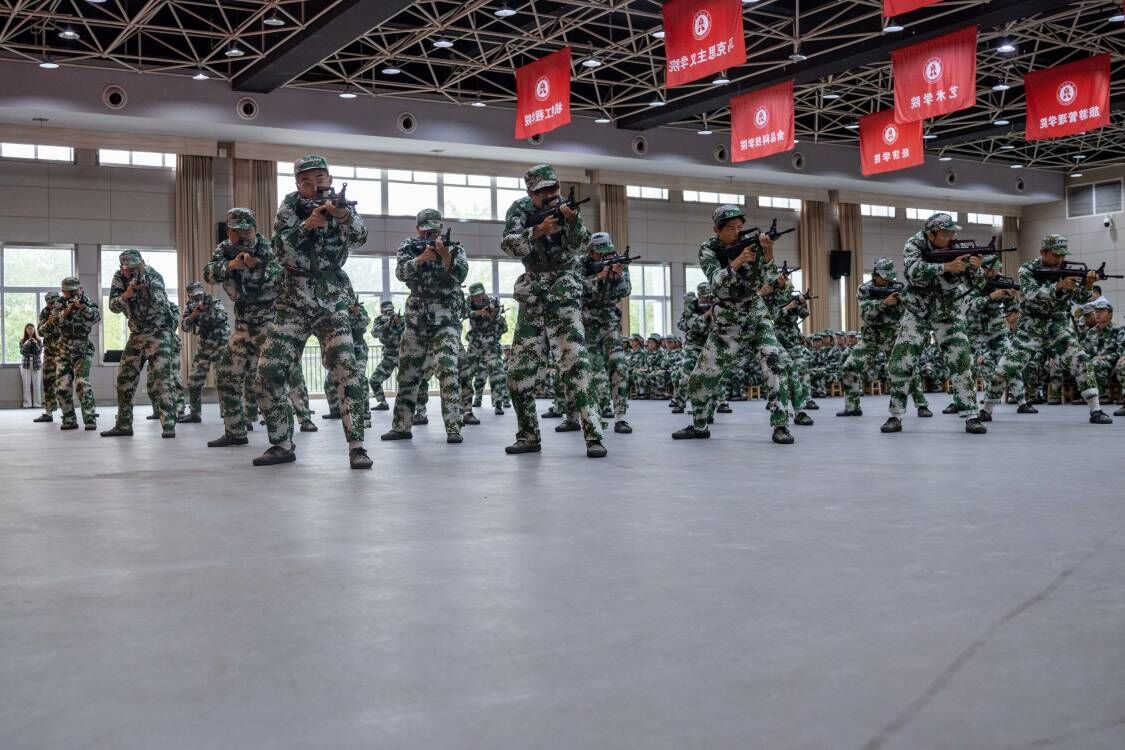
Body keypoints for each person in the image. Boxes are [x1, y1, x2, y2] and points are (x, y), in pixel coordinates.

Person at [255, 155, 371, 468]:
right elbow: (279, 251)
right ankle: (281, 443)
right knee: (268, 370)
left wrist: (343, 216)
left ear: (330, 180)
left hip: (331, 299)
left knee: (346, 368)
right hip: (292, 300)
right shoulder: (290, 207)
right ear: (298, 185)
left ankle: (357, 446)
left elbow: (361, 237)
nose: (315, 184)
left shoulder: (342, 206)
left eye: (320, 178)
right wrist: (307, 225)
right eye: (307, 180)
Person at [500, 164, 605, 458]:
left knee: (577, 366)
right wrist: (538, 230)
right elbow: (510, 245)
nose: (550, 195)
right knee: (517, 373)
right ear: (530, 193)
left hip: (563, 294)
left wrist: (571, 222)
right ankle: (528, 436)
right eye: (542, 191)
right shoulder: (519, 210)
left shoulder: (569, 208)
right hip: (533, 296)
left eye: (553, 188)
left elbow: (581, 246)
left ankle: (594, 437)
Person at [673, 204, 798, 445]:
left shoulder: (755, 244)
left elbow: (774, 284)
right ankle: (699, 425)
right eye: (731, 228)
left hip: (755, 314)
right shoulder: (708, 249)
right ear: (717, 230)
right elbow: (716, 284)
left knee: (774, 365)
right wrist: (739, 260)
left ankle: (781, 425)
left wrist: (768, 253)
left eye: (740, 227)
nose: (737, 232)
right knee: (700, 376)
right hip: (727, 319)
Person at [980, 234, 1112, 425]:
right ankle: (986, 410)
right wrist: (1058, 286)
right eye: (1056, 254)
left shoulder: (1067, 269)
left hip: (1057, 327)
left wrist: (1087, 285)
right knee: (1004, 368)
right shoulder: (1028, 269)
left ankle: (1096, 410)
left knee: (1082, 360)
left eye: (1063, 255)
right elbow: (1031, 294)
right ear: (1043, 252)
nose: (1060, 259)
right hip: (1030, 328)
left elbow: (1080, 299)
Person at [881, 213, 986, 435]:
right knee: (901, 361)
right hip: (917, 310)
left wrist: (976, 268)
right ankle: (895, 415)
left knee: (961, 359)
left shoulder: (959, 247)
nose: (951, 237)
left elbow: (978, 285)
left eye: (953, 232)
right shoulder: (914, 244)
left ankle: (971, 415)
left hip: (948, 310)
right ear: (932, 234)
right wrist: (946, 267)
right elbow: (913, 272)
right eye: (946, 233)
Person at [380, 208, 468, 444]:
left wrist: (445, 256)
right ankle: (401, 426)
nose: (430, 235)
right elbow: (400, 273)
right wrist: (421, 259)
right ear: (417, 229)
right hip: (416, 320)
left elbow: (460, 275)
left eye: (434, 230)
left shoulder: (455, 248)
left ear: (441, 228)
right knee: (407, 373)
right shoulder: (409, 247)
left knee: (448, 370)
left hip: (446, 318)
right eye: (425, 230)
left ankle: (454, 427)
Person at [837, 258, 930, 418]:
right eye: (884, 276)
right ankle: (852, 407)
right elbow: (866, 314)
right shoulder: (865, 289)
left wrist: (902, 301)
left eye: (889, 276)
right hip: (871, 338)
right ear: (875, 274)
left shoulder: (899, 288)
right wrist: (883, 303)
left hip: (893, 336)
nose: (887, 280)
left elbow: (911, 309)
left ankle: (922, 405)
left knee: (908, 367)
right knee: (849, 366)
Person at [102, 249, 179, 438]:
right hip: (137, 334)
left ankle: (168, 424)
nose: (132, 272)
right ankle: (123, 425)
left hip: (159, 332)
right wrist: (126, 295)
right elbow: (112, 306)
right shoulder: (119, 278)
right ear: (122, 268)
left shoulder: (154, 276)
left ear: (142, 263)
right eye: (128, 269)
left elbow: (160, 306)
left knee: (161, 378)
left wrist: (145, 291)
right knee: (124, 378)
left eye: (135, 268)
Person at [579, 232, 631, 433]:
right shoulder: (580, 263)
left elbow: (625, 290)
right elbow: (575, 289)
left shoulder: (617, 261)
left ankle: (621, 417)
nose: (603, 256)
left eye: (606, 252)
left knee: (619, 364)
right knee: (593, 371)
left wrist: (617, 276)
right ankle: (595, 416)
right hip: (587, 323)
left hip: (610, 322)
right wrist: (599, 277)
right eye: (599, 253)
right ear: (590, 250)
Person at [179, 281, 230, 423]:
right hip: (204, 345)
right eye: (194, 296)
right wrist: (194, 315)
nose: (197, 298)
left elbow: (223, 318)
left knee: (223, 379)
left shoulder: (213, 301)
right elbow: (184, 326)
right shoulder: (190, 307)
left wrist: (208, 311)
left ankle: (228, 414)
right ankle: (195, 413)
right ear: (189, 296)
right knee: (194, 379)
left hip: (220, 343)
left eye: (199, 295)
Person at [54, 276, 101, 431]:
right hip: (64, 349)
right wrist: (66, 311)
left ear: (79, 289)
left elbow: (96, 317)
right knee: (62, 386)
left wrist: (82, 308)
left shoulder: (87, 302)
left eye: (72, 291)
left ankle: (90, 418)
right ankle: (69, 419)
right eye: (66, 292)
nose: (69, 294)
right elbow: (54, 322)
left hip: (82, 349)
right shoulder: (60, 303)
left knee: (81, 383)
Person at [465, 283, 509, 416]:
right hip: (475, 345)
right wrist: (480, 312)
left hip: (491, 346)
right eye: (475, 296)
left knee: (497, 375)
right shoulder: (468, 302)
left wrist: (494, 313)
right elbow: (465, 313)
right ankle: (466, 405)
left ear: (484, 293)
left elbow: (502, 326)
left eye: (480, 295)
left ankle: (498, 403)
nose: (478, 298)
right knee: (467, 374)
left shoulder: (492, 302)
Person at [368, 301, 405, 411]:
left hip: (402, 355)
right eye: (386, 311)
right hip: (388, 356)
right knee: (374, 380)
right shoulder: (379, 320)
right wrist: (387, 324)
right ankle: (383, 403)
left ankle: (410, 405)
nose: (389, 313)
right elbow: (374, 333)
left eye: (391, 311)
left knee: (408, 381)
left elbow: (408, 334)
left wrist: (399, 324)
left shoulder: (402, 319)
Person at [33, 292, 63, 422]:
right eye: (49, 303)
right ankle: (48, 412)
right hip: (49, 353)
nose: (51, 306)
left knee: (64, 383)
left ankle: (67, 413)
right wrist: (49, 323)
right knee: (47, 381)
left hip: (63, 352)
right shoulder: (45, 312)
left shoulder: (65, 309)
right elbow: (40, 332)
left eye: (53, 303)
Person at [19, 323, 42, 408]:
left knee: (37, 384)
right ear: (26, 330)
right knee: (26, 385)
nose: (30, 330)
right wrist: (26, 344)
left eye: (32, 329)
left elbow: (39, 352)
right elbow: (22, 352)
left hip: (36, 363)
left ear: (34, 330)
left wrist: (35, 344)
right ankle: (27, 403)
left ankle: (37, 403)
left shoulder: (39, 340)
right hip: (26, 364)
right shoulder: (22, 340)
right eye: (28, 329)